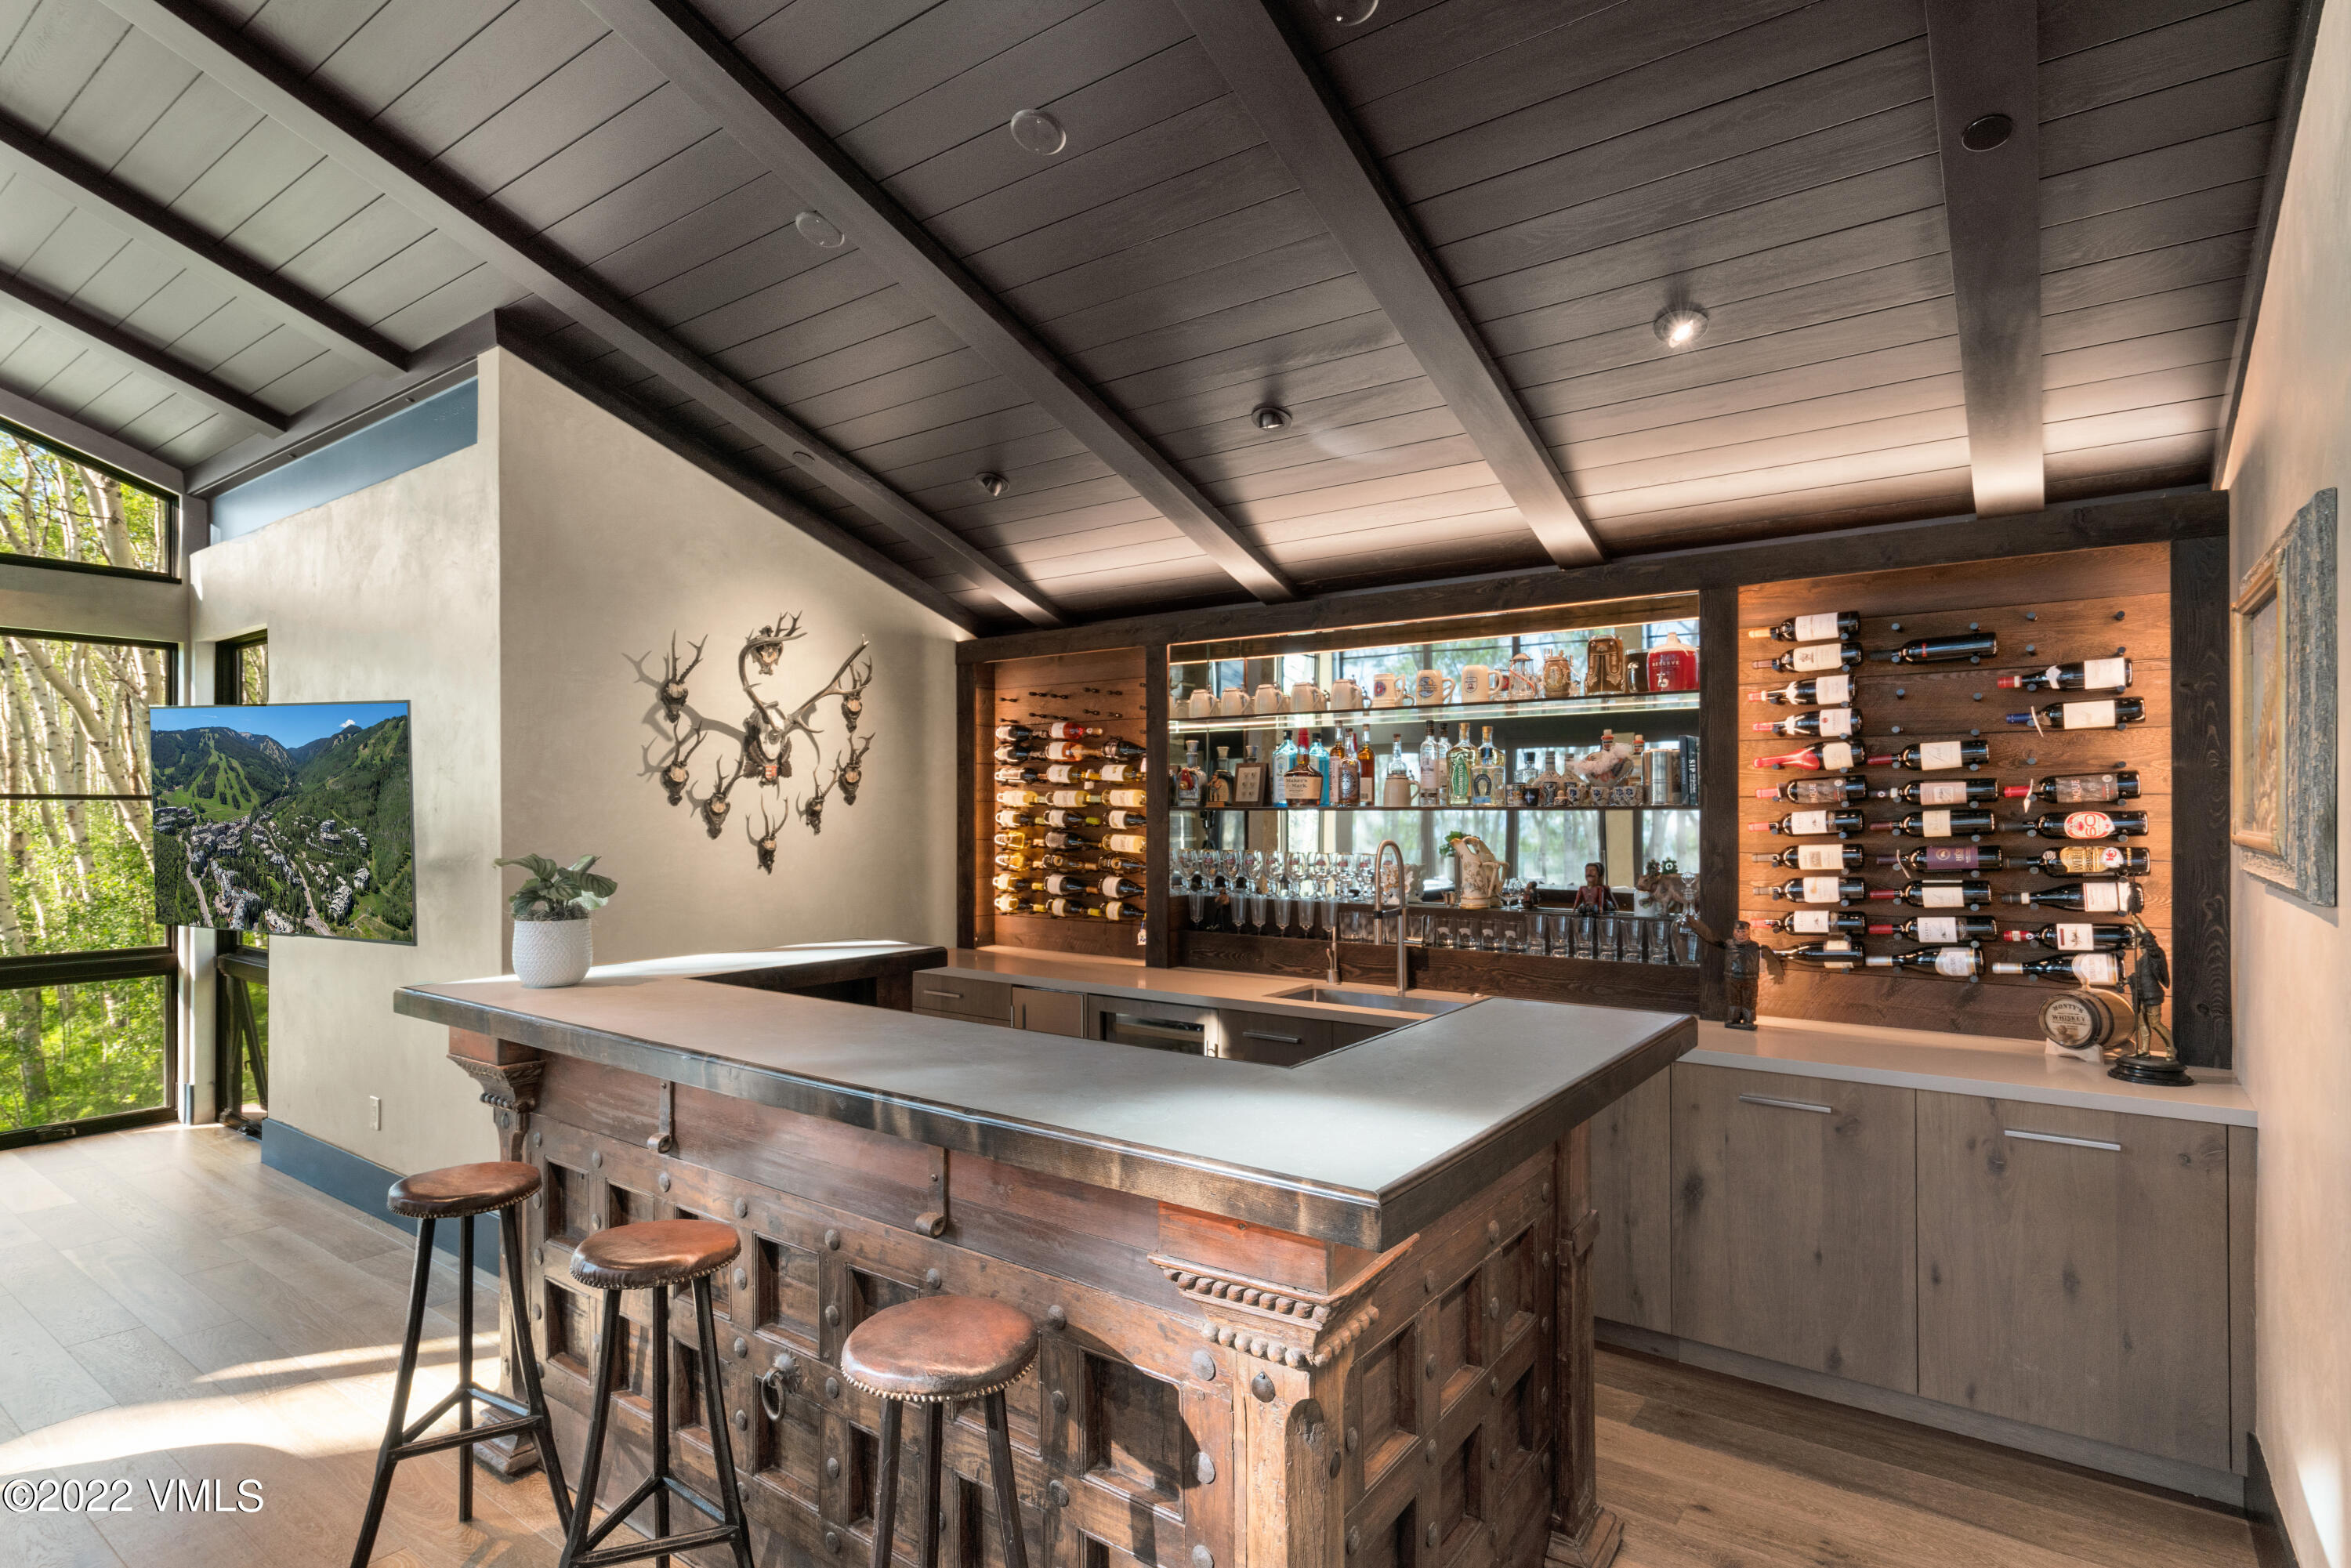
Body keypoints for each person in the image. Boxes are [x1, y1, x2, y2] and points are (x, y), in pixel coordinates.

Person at [1689, 915, 1768, 1030]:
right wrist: (1698, 928)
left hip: (1750, 979)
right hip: (1732, 978)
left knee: (1749, 1000)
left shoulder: (1755, 946)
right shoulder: (1729, 944)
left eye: (1744, 932)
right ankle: (1733, 1019)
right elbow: (1712, 938)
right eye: (1738, 931)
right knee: (1733, 1000)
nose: (1741, 935)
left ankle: (1749, 1020)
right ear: (1734, 932)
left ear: (1749, 932)